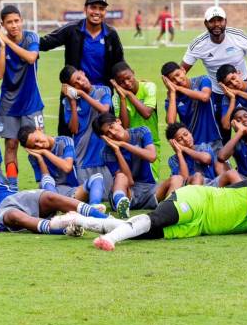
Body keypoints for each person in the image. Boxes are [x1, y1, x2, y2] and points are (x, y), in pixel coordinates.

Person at [82, 176, 247, 251]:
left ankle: (79, 221)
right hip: (198, 200)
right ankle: (110, 241)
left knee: (144, 233)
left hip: (198, 227)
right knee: (155, 219)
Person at [39, 0, 124, 136]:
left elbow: (119, 63)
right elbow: (46, 43)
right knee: (68, 135)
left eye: (101, 8)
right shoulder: (72, 29)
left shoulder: (111, 34)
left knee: (107, 136)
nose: (97, 12)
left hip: (102, 94)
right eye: (93, 7)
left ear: (105, 12)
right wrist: (21, 39)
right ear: (85, 9)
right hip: (74, 92)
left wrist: (131, 83)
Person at [181, 6, 247, 132]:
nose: (216, 24)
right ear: (206, 23)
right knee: (223, 131)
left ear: (225, 21)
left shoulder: (238, 35)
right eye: (212, 21)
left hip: (244, 86)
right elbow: (181, 71)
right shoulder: (198, 44)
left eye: (220, 20)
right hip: (218, 93)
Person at [0, 5, 44, 188]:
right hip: (9, 105)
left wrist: (7, 40)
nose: (14, 25)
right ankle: (12, 186)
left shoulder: (31, 37)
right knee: (11, 145)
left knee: (37, 144)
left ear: (21, 21)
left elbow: (31, 58)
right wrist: (3, 46)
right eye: (9, 22)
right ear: (3, 24)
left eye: (16, 21)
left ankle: (44, 184)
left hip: (31, 102)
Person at [60, 64, 113, 205]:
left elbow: (104, 110)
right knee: (87, 196)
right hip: (82, 157)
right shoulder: (67, 102)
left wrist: (83, 94)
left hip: (102, 154)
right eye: (74, 83)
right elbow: (74, 129)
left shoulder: (103, 90)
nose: (79, 82)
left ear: (82, 72)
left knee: (107, 196)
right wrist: (72, 102)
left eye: (79, 78)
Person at [94, 113, 163, 219]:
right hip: (127, 192)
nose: (112, 133)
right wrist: (117, 151)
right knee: (120, 177)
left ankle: (172, 207)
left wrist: (123, 144)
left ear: (118, 121)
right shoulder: (106, 152)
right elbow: (129, 181)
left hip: (149, 189)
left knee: (175, 179)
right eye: (107, 133)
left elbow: (152, 156)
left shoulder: (141, 132)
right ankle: (121, 204)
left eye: (112, 127)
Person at [162, 61, 222, 149]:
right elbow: (171, 123)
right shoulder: (172, 99)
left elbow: (205, 97)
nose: (178, 80)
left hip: (214, 141)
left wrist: (179, 88)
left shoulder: (202, 80)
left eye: (178, 75)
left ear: (183, 70)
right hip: (192, 145)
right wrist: (172, 93)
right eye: (173, 80)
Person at [110, 61, 160, 167]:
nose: (127, 83)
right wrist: (123, 98)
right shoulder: (116, 98)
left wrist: (128, 94)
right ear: (117, 84)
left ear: (133, 72)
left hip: (151, 143)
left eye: (128, 78)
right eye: (122, 82)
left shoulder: (148, 87)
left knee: (151, 181)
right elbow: (124, 126)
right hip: (130, 145)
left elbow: (146, 113)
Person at [166, 122, 237, 186]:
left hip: (211, 184)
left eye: (186, 134)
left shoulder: (202, 147)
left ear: (190, 133)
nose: (185, 139)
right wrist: (179, 153)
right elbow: (184, 179)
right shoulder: (173, 160)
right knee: (197, 176)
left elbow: (207, 159)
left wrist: (184, 148)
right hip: (192, 190)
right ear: (174, 144)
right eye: (180, 139)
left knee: (224, 168)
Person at [17, 126, 79, 196]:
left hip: (71, 189)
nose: (40, 145)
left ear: (39, 129)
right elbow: (45, 179)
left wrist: (45, 152)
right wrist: (40, 159)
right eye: (34, 147)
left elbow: (67, 167)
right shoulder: (33, 157)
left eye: (37, 140)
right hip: (51, 190)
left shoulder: (65, 141)